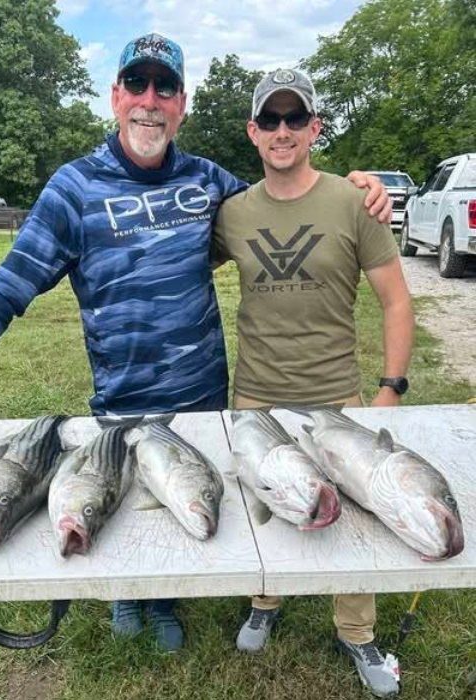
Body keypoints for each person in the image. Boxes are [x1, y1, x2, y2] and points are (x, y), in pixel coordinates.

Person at [0, 34, 391, 653]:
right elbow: (8, 286)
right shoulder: (73, 189)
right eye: (137, 84)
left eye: (165, 87)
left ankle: (165, 595)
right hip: (121, 392)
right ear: (116, 96)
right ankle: (130, 592)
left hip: (205, 397)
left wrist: (355, 186)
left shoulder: (209, 182)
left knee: (184, 493)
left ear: (182, 103)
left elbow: (287, 196)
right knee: (116, 493)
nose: (150, 101)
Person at [212, 68, 414, 697]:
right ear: (252, 131)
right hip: (257, 394)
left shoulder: (355, 201)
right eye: (269, 119)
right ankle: (265, 599)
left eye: (294, 118)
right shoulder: (232, 213)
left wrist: (391, 389)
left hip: (336, 395)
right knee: (263, 502)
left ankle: (357, 632)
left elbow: (397, 301)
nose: (282, 130)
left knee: (356, 516)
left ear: (314, 128)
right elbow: (169, 253)